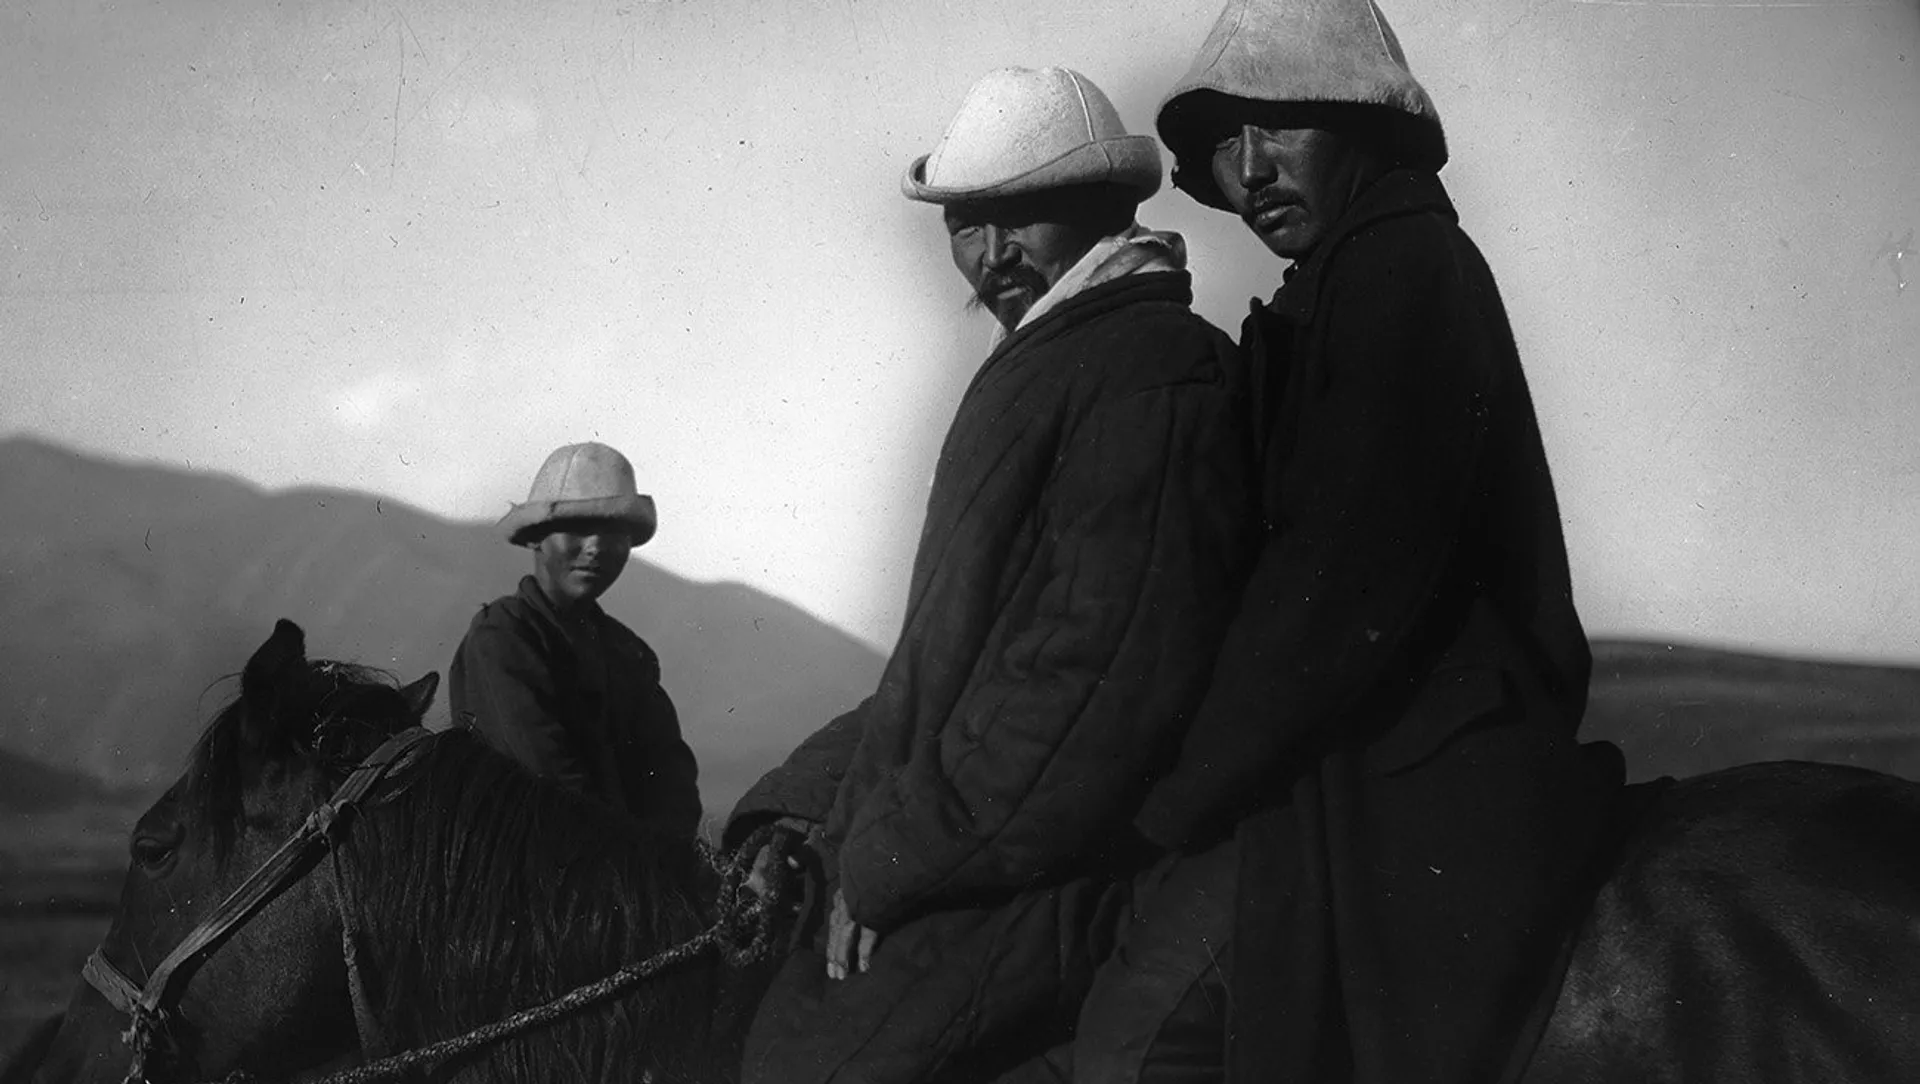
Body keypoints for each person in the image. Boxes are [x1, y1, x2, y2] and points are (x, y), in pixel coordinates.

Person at [1067, 2, 1633, 1082]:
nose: (1250, 169)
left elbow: (1335, 590)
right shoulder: (1340, 283)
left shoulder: (1400, 270)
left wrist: (1176, 798)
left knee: (1138, 1039)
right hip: (1356, 758)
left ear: (1367, 130)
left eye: (1282, 126)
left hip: (1423, 775)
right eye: (1225, 143)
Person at [722, 66, 1255, 1084]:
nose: (991, 253)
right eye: (967, 221)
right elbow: (946, 667)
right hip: (975, 849)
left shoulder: (1152, 372)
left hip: (1056, 873)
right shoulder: (1063, 357)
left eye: (1024, 216)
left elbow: (1090, 688)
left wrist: (884, 864)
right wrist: (793, 807)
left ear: (1104, 206)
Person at [449, 441, 702, 836]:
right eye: (579, 528)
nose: (596, 547)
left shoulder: (629, 653)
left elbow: (674, 784)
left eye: (614, 531)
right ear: (537, 536)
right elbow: (549, 784)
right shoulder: (502, 637)